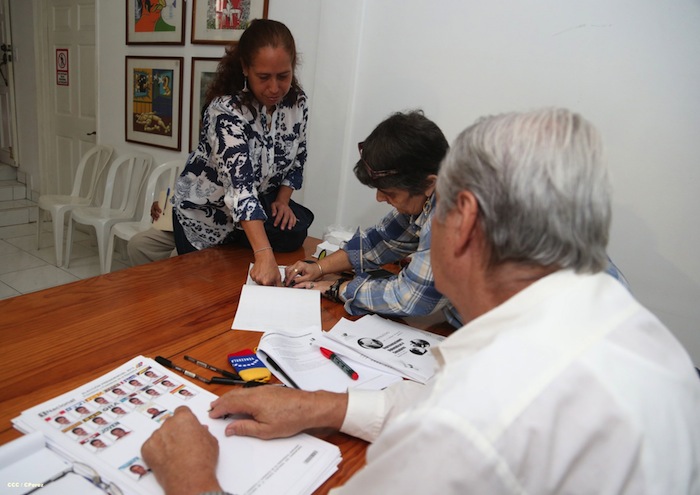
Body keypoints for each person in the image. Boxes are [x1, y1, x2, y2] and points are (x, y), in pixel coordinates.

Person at [141, 108, 700, 494]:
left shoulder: (473, 419)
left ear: (465, 220)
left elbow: (459, 422)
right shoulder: (640, 334)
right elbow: (442, 403)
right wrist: (325, 406)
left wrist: (191, 479)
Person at [128, 19, 313, 286]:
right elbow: (240, 187)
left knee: (289, 240)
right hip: (206, 220)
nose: (274, 88)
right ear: (245, 68)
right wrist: (264, 254)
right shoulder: (225, 112)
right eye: (264, 77)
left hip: (250, 221)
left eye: (283, 76)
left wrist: (283, 200)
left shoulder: (297, 104)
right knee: (208, 290)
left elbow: (298, 158)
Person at [284, 110, 461, 325]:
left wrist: (338, 288)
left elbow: (409, 298)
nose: (379, 198)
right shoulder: (430, 195)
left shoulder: (452, 218)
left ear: (429, 183)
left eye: (390, 193)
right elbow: (379, 241)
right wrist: (319, 268)